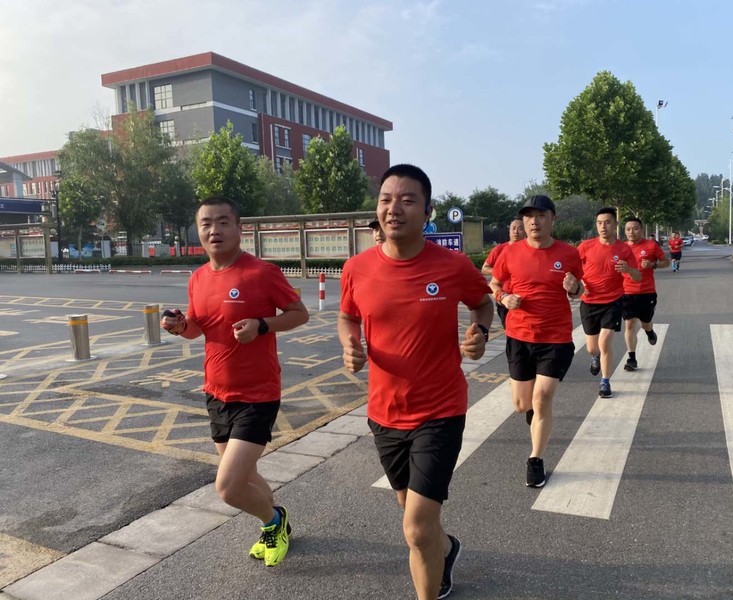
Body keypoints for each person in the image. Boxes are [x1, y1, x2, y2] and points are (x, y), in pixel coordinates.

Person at [338, 164, 493, 600]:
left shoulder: (452, 265)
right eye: (386, 200)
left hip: (440, 410)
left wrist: (480, 332)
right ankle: (446, 549)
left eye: (407, 201)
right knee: (413, 512)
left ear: (427, 211)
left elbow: (483, 304)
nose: (394, 208)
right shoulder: (357, 268)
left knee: (415, 527)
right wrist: (350, 344)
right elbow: (347, 316)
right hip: (384, 413)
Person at [160, 196, 309, 568]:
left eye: (223, 222)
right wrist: (179, 326)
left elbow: (299, 313)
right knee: (246, 475)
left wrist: (262, 325)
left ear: (239, 229)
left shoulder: (262, 273)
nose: (215, 230)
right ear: (198, 230)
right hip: (216, 392)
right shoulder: (197, 278)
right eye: (206, 223)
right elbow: (197, 328)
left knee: (227, 487)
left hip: (258, 394)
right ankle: (277, 521)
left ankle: (273, 522)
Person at [489, 195, 583, 488]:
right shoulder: (509, 252)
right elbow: (494, 283)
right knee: (522, 404)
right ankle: (533, 412)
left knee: (542, 398)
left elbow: (579, 289)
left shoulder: (569, 253)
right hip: (519, 336)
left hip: (555, 338)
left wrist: (574, 287)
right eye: (529, 216)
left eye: (541, 215)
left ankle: (536, 460)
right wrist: (504, 297)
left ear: (553, 219)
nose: (534, 221)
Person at [578, 207, 641, 398]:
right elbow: (573, 269)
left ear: (615, 225)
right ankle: (595, 356)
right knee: (592, 347)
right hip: (589, 302)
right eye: (599, 223)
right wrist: (579, 283)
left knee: (605, 341)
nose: (603, 226)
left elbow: (638, 276)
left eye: (607, 222)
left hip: (613, 301)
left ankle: (605, 382)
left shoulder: (623, 249)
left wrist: (628, 269)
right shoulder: (585, 246)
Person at [621, 217, 670, 372]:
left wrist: (653, 264)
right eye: (628, 229)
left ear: (641, 229)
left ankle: (649, 331)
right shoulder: (620, 248)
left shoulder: (650, 246)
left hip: (647, 292)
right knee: (630, 324)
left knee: (645, 322)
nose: (631, 232)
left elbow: (666, 262)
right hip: (626, 292)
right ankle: (632, 358)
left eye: (635, 228)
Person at [481, 218, 525, 329]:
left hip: (524, 299)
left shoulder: (531, 250)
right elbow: (484, 268)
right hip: (505, 297)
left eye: (520, 228)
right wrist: (502, 271)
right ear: (509, 232)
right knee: (509, 329)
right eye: (513, 228)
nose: (516, 231)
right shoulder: (500, 249)